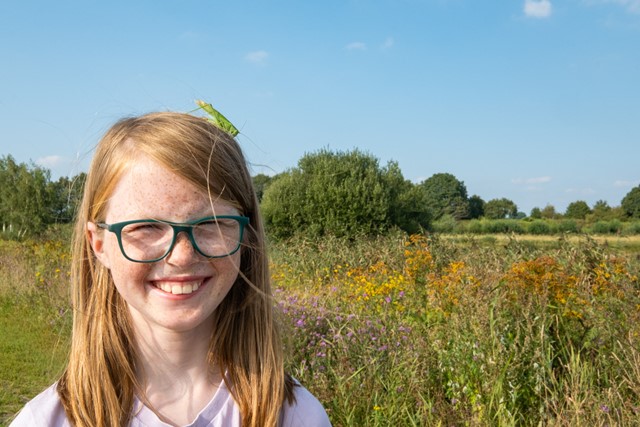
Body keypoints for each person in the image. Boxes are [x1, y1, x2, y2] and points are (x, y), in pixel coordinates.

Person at [10, 110, 332, 427]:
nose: (181, 256)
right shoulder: (45, 421)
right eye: (146, 227)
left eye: (211, 223)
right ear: (99, 244)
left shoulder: (296, 417)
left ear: (246, 236)